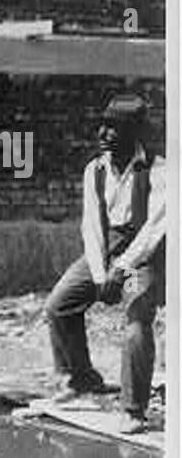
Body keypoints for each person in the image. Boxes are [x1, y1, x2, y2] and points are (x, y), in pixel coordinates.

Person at [45, 93, 164, 432]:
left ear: (134, 132)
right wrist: (99, 276)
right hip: (107, 248)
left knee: (137, 318)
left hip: (143, 253)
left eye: (113, 128)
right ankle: (80, 378)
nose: (103, 133)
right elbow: (92, 227)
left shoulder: (160, 169)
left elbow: (153, 229)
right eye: (102, 125)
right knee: (58, 306)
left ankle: (133, 409)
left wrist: (121, 271)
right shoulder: (94, 169)